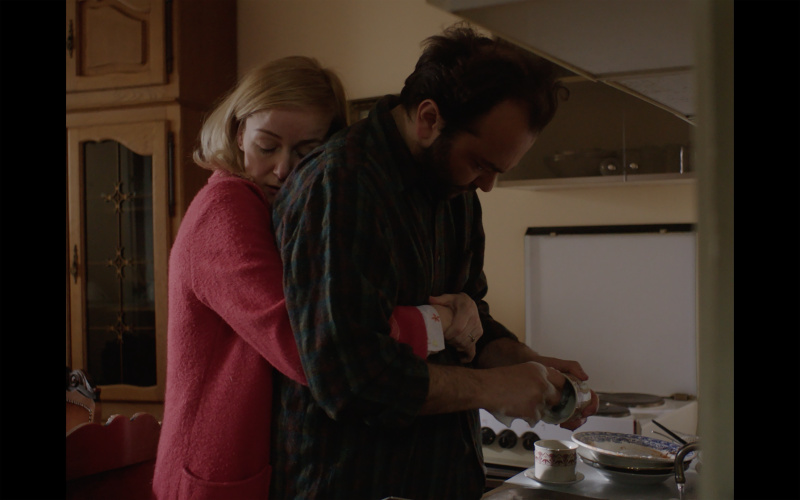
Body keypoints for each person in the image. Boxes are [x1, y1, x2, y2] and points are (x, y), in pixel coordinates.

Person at [270, 25, 600, 499]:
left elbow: (471, 323)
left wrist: (524, 363)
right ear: (428, 118)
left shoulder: (455, 190)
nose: (487, 185)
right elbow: (350, 379)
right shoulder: (339, 184)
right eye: (481, 163)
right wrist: (494, 388)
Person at [151, 56, 484, 500]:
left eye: (306, 151)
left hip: (241, 468)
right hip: (215, 471)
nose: (283, 168)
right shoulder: (225, 208)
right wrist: (439, 322)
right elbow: (306, 343)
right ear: (238, 133)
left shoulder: (275, 207)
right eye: (267, 146)